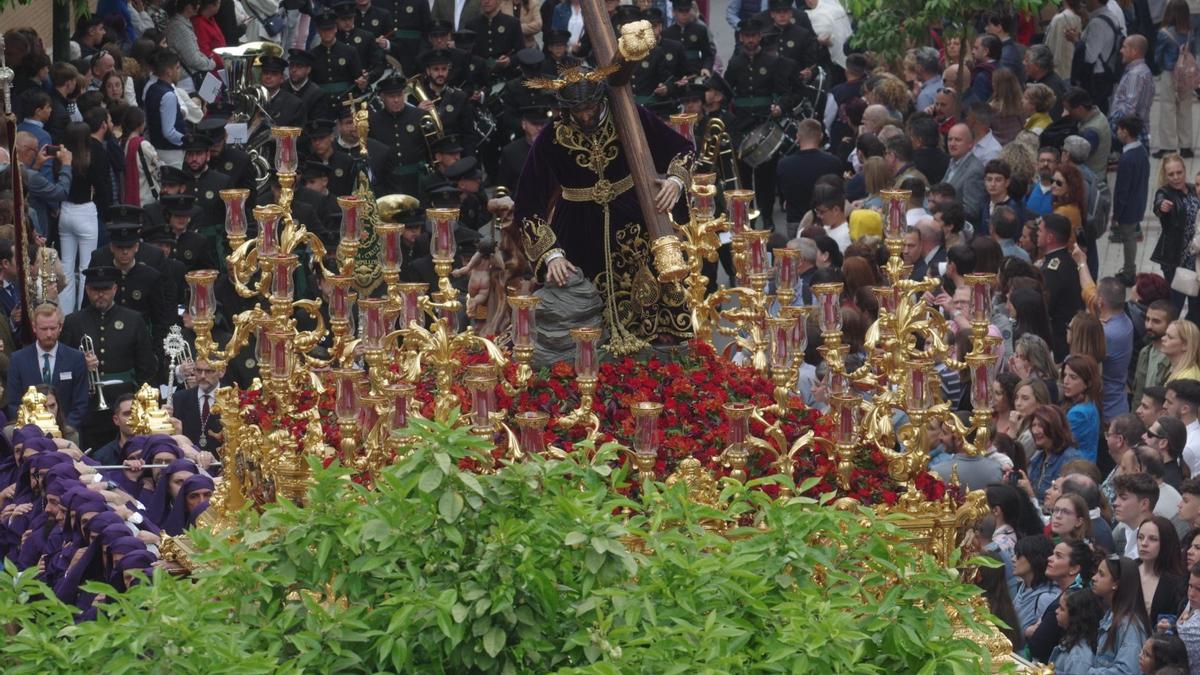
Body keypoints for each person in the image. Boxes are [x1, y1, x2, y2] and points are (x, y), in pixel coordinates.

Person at [512, 61, 693, 354]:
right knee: (580, 306)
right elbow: (527, 203)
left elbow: (681, 148)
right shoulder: (551, 137)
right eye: (577, 110)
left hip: (632, 219)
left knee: (651, 297)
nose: (585, 115)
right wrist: (551, 254)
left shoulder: (629, 118)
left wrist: (675, 180)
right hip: (577, 228)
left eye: (590, 107)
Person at [60, 266, 158, 450]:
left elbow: (146, 366)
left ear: (114, 289)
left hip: (124, 399)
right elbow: (64, 363)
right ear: (87, 290)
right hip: (87, 402)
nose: (100, 295)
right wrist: (81, 365)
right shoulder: (74, 321)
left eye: (105, 290)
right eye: (95, 290)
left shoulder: (133, 319)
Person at [4, 304, 89, 429]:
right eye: (44, 329)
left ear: (60, 327)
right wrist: (31, 431)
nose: (49, 334)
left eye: (53, 328)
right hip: (30, 435)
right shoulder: (18, 360)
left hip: (67, 433)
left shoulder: (76, 358)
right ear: (34, 327)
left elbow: (81, 403)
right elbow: (13, 403)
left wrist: (64, 430)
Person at [1028, 540, 1098, 661]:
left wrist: (1029, 631)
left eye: (1058, 556)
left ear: (1074, 569)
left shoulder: (1072, 602)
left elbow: (1037, 645)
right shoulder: (1077, 593)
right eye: (1052, 553)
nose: (1049, 558)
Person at [1151, 155, 1200, 317]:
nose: (1176, 177)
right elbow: (1158, 204)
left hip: (1196, 260)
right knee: (1174, 306)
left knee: (1196, 306)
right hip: (1175, 262)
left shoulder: (1194, 189)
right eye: (1171, 174)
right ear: (1165, 176)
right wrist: (1161, 207)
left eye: (1179, 172)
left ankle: (1189, 336)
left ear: (1185, 171)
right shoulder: (1165, 193)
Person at [777, 119, 843, 237]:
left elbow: (784, 193)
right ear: (821, 136)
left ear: (797, 136)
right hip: (826, 221)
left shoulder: (784, 164)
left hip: (796, 222)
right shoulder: (833, 162)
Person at [1090, 556, 1152, 673]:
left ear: (1116, 584)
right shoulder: (1110, 615)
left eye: (1101, 574)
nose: (1094, 578)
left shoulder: (1129, 626)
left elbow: (1127, 671)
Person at [1037, 214, 1083, 360]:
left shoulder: (1053, 270)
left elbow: (1045, 306)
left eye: (1040, 230)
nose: (1036, 234)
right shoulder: (1066, 260)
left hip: (1058, 340)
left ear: (1049, 238)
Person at [1154, 0, 1195, 158]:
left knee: (1167, 108)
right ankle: (1186, 146)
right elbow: (1194, 51)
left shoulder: (1164, 33)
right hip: (1186, 73)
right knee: (1185, 108)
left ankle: (1168, 145)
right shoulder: (1190, 32)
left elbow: (1158, 57)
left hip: (1169, 73)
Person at [1026, 404, 1084, 502]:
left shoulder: (1071, 459)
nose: (1035, 431)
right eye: (1033, 425)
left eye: (1040, 425)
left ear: (1054, 427)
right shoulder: (1038, 457)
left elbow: (1069, 502)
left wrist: (1030, 493)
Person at [1137, 516, 1187, 625]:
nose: (1144, 543)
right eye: (1140, 537)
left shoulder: (1176, 583)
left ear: (1166, 543)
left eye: (1153, 539)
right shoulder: (1128, 569)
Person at [1134, 300, 1180, 407]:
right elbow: (1138, 393)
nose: (1149, 325)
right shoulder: (1145, 352)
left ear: (1170, 325)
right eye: (1147, 319)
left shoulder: (1174, 358)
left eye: (1156, 321)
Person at [1050, 589, 1105, 673]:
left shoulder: (1079, 657)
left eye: (1062, 609)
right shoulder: (1071, 640)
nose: (1056, 611)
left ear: (1075, 617)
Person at [1115, 472, 1161, 559]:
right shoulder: (1124, 531)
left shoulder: (1158, 542)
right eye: (1116, 497)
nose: (1115, 503)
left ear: (1144, 504)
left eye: (1123, 498)